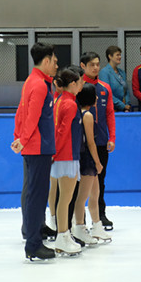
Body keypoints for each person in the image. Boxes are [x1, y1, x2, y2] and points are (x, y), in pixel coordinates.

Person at [11, 42, 58, 261]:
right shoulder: (39, 85)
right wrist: (23, 138)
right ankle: (33, 244)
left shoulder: (31, 81)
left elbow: (20, 113)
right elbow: (31, 117)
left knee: (33, 195)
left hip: (33, 146)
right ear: (46, 60)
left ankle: (33, 238)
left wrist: (18, 137)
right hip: (38, 147)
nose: (56, 66)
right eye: (54, 61)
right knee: (37, 196)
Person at [78, 52, 116, 231]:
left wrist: (112, 137)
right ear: (83, 66)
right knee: (82, 181)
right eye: (91, 64)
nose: (95, 67)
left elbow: (110, 113)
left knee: (100, 180)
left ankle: (100, 214)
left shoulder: (105, 87)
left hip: (101, 141)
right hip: (82, 143)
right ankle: (80, 218)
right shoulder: (78, 86)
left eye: (97, 64)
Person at [72, 83, 113, 245]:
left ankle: (97, 225)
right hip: (87, 159)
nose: (97, 97)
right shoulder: (87, 115)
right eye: (94, 95)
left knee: (94, 195)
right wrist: (97, 162)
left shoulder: (83, 113)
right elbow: (91, 143)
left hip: (87, 159)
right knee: (83, 197)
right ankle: (80, 228)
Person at [51, 68, 84, 255]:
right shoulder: (69, 104)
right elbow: (62, 133)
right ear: (72, 84)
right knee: (65, 199)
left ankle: (63, 235)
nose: (82, 85)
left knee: (63, 199)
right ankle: (62, 236)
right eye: (80, 82)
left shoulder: (61, 100)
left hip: (63, 155)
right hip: (66, 156)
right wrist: (55, 154)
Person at [99, 45, 131, 112]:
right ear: (110, 56)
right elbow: (107, 93)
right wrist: (122, 106)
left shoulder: (122, 72)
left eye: (120, 55)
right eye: (117, 55)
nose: (120, 57)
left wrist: (127, 104)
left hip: (125, 110)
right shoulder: (104, 72)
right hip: (112, 109)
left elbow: (126, 91)